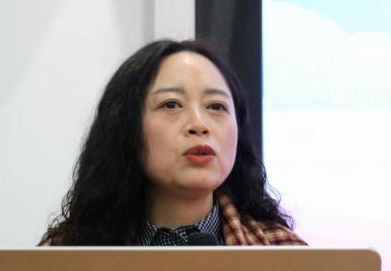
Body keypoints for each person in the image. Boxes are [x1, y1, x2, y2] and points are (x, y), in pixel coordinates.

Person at [40, 39, 306, 246]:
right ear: (125, 126)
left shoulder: (286, 254)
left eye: (216, 106)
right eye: (171, 105)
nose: (199, 124)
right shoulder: (61, 257)